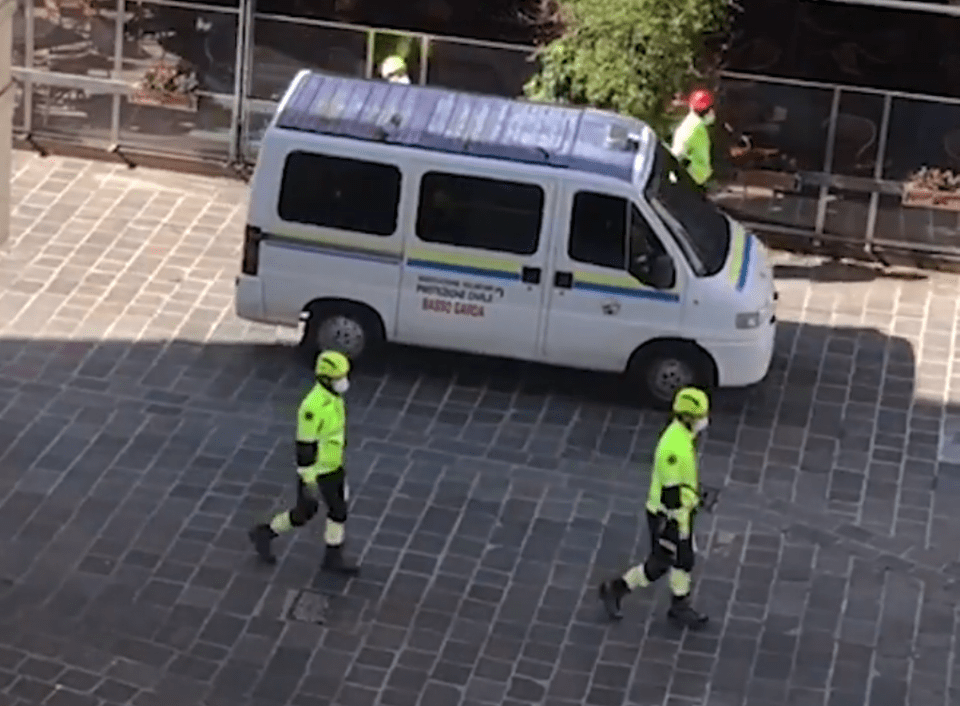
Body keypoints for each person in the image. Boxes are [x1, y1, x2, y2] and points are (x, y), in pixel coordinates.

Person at [598, 386, 711, 629]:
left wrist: (694, 496)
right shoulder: (674, 448)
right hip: (668, 515)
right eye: (700, 416)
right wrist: (682, 515)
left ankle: (678, 605)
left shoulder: (682, 437)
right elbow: (671, 494)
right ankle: (617, 589)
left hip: (678, 512)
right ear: (687, 417)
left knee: (683, 558)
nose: (704, 421)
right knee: (661, 563)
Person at [248, 350, 359, 574]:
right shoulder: (312, 407)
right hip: (317, 472)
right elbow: (304, 447)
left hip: (333, 466)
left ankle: (332, 557)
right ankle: (265, 533)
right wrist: (309, 480)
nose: (343, 382)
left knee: (338, 510)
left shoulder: (333, 398)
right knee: (304, 512)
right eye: (339, 378)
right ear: (326, 379)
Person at [670, 89, 716, 191]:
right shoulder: (693, 129)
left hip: (695, 181)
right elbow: (677, 154)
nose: (712, 113)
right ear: (704, 112)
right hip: (691, 184)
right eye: (709, 109)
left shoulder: (695, 124)